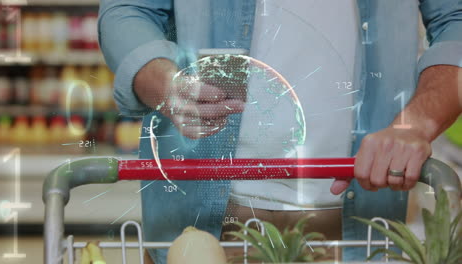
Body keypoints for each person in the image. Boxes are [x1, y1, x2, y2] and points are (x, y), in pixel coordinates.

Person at [98, 0, 462, 263]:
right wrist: (163, 82)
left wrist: (414, 124)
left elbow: (455, 18)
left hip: (365, 223)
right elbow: (129, 8)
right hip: (198, 225)